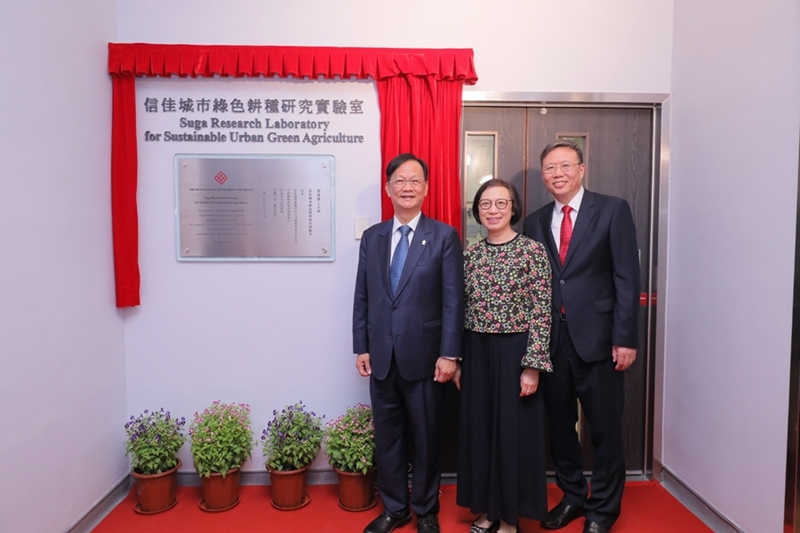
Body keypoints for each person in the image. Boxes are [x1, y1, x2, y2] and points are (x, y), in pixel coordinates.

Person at [523, 139, 640, 533]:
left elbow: (627, 277)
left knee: (605, 428)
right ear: (543, 176)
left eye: (565, 166)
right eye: (550, 168)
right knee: (559, 428)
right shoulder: (536, 221)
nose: (558, 174)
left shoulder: (612, 209)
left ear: (581, 169)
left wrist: (625, 338)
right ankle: (573, 496)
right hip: (552, 343)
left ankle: (603, 510)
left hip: (601, 340)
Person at [353, 153, 464, 533]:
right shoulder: (373, 237)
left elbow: (453, 300)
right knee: (388, 438)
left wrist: (450, 353)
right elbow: (363, 297)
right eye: (399, 181)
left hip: (427, 357)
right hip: (382, 356)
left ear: (427, 189)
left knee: (427, 437)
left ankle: (426, 508)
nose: (407, 187)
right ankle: (395, 508)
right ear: (388, 189)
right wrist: (361, 346)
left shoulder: (444, 236)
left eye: (415, 181)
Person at [456, 179, 553, 533]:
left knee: (513, 434)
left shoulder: (532, 251)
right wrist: (459, 362)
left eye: (501, 203)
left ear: (513, 208)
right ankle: (487, 511)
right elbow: (460, 309)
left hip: (516, 353)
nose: (493, 210)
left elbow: (542, 311)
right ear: (477, 210)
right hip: (477, 352)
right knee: (481, 432)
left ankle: (511, 517)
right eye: (485, 204)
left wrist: (533, 366)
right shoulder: (470, 255)